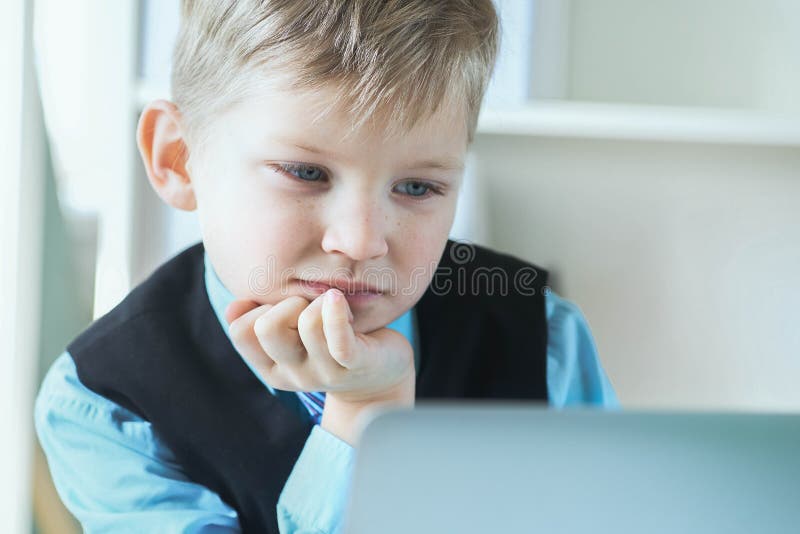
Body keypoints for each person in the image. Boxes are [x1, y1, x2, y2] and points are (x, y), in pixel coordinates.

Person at [35, 1, 618, 532]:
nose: (361, 241)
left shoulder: (545, 339)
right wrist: (366, 412)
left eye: (417, 186)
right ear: (179, 160)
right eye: (305, 173)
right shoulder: (104, 403)